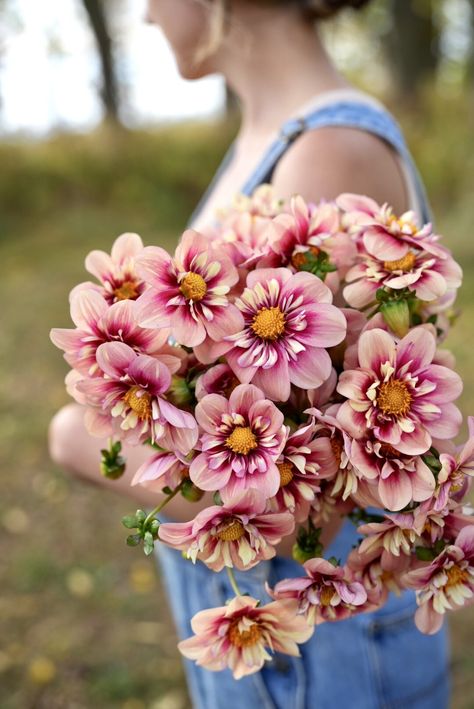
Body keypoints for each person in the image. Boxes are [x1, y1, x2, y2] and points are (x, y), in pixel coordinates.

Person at [49, 1, 451, 707]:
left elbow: (308, 507)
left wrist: (75, 440)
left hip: (323, 669)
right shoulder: (272, 137)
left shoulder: (329, 150)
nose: (144, 14)